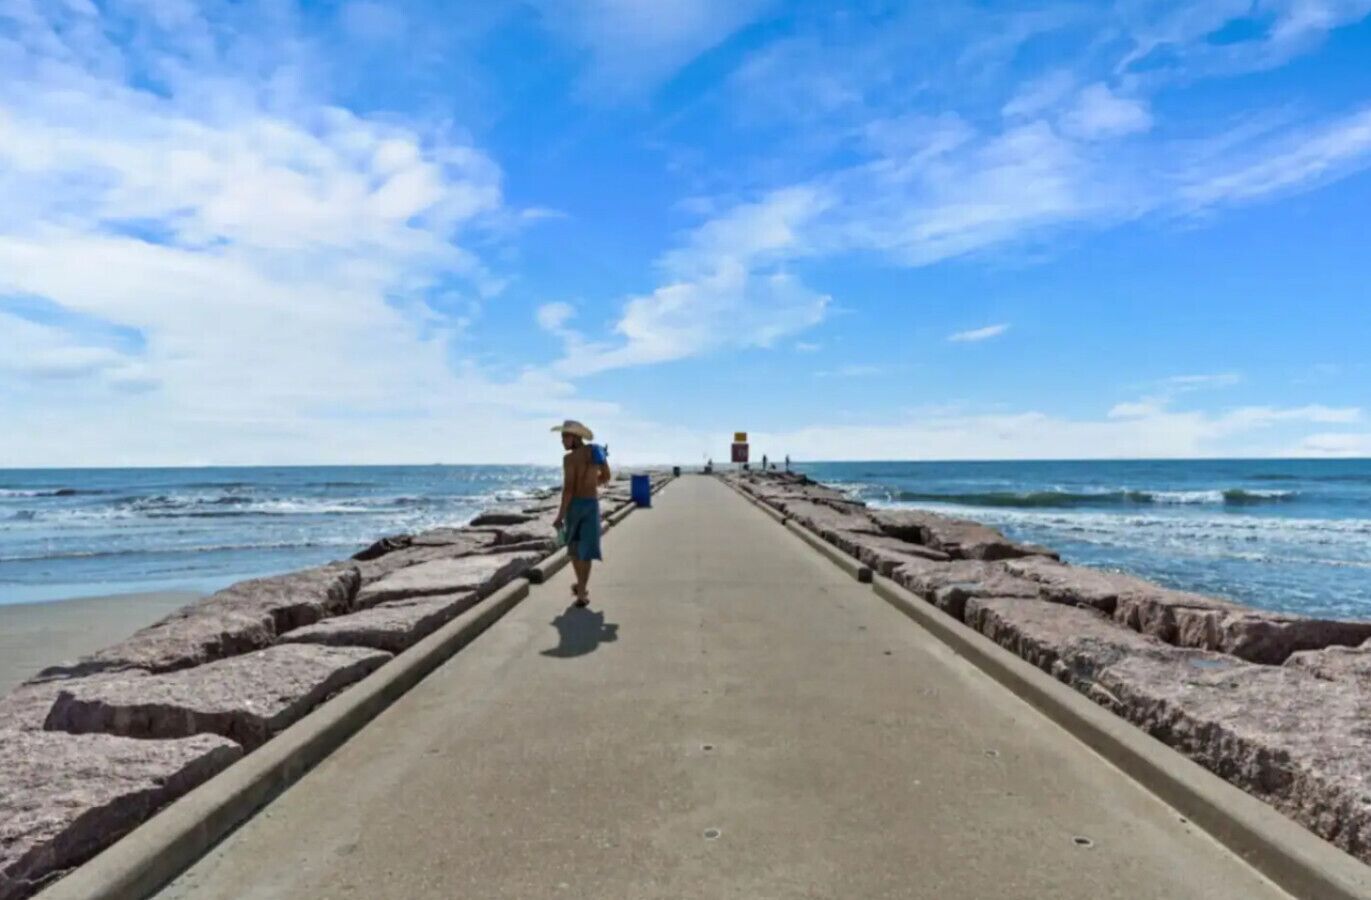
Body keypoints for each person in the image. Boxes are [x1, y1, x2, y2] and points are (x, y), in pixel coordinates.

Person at [551, 419, 611, 607]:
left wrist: (560, 515)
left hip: (575, 507)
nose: (562, 442)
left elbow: (568, 489)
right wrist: (592, 483)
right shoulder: (596, 451)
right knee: (587, 550)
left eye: (564, 437)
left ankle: (582, 589)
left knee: (575, 550)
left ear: (574, 437)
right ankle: (581, 590)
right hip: (591, 505)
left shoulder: (569, 459)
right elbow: (607, 476)